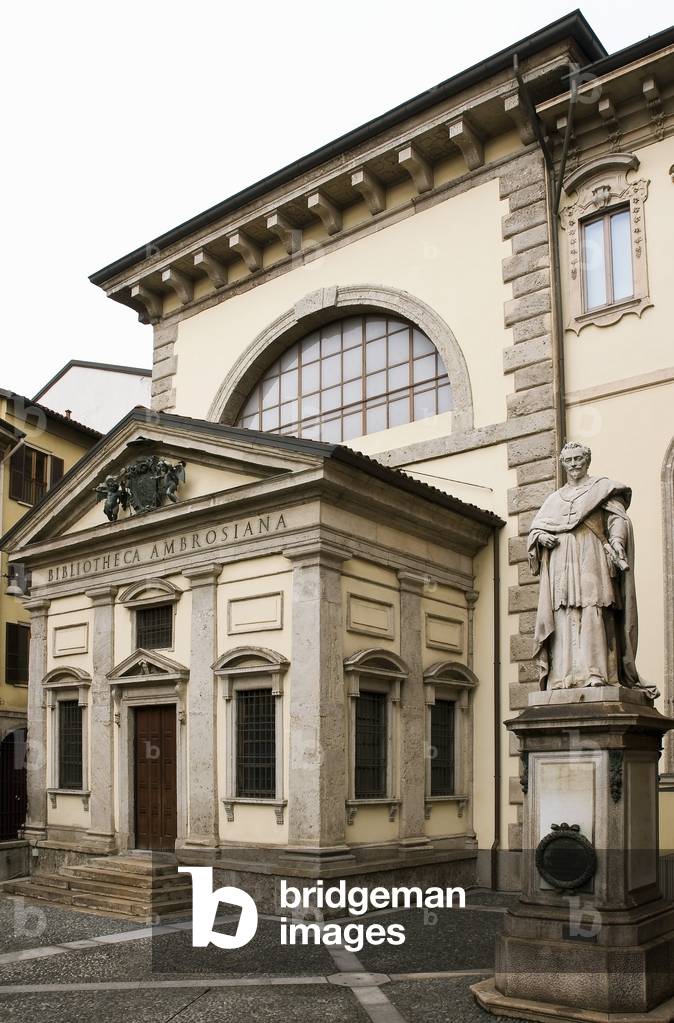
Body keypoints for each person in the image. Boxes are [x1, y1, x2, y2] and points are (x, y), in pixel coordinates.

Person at [527, 441, 655, 695]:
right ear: (563, 464)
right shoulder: (554, 499)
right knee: (564, 614)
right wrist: (540, 538)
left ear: (587, 461)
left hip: (592, 557)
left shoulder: (602, 489)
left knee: (594, 608)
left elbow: (618, 519)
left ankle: (596, 673)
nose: (574, 464)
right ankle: (562, 677)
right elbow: (536, 529)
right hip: (562, 562)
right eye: (569, 460)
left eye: (578, 459)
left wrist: (617, 541)